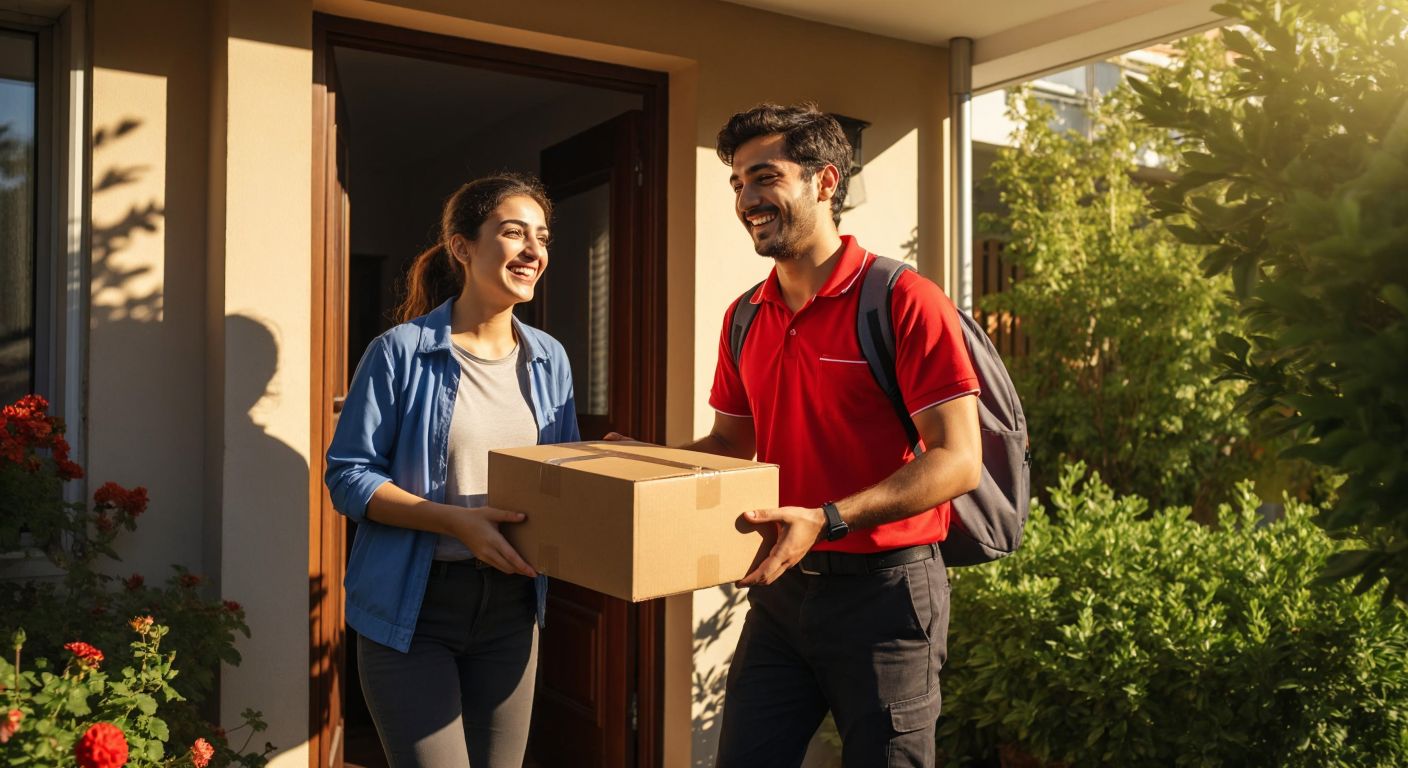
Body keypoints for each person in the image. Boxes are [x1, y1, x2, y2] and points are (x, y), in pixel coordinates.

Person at [698, 103, 982, 767]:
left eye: (765, 177)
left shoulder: (903, 299)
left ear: (825, 181)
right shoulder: (745, 316)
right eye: (738, 183)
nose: (746, 199)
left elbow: (958, 459)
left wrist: (826, 519)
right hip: (782, 594)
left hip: (887, 596)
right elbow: (728, 446)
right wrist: (632, 462)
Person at [325, 173, 579, 768]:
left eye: (542, 237)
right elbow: (349, 476)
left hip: (513, 609)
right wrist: (454, 521)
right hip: (413, 612)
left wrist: (605, 467)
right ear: (462, 247)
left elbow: (559, 478)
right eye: (513, 232)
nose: (533, 250)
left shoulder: (551, 358)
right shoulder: (399, 352)